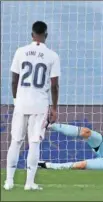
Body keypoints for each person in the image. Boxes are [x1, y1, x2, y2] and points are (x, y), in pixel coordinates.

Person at [4, 21, 61, 191]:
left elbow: (14, 80)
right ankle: (29, 183)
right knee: (34, 143)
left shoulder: (20, 52)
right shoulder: (52, 56)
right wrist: (54, 107)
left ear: (31, 34)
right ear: (46, 35)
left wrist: (15, 99)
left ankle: (9, 182)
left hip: (21, 103)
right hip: (39, 104)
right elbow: (54, 85)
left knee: (15, 141)